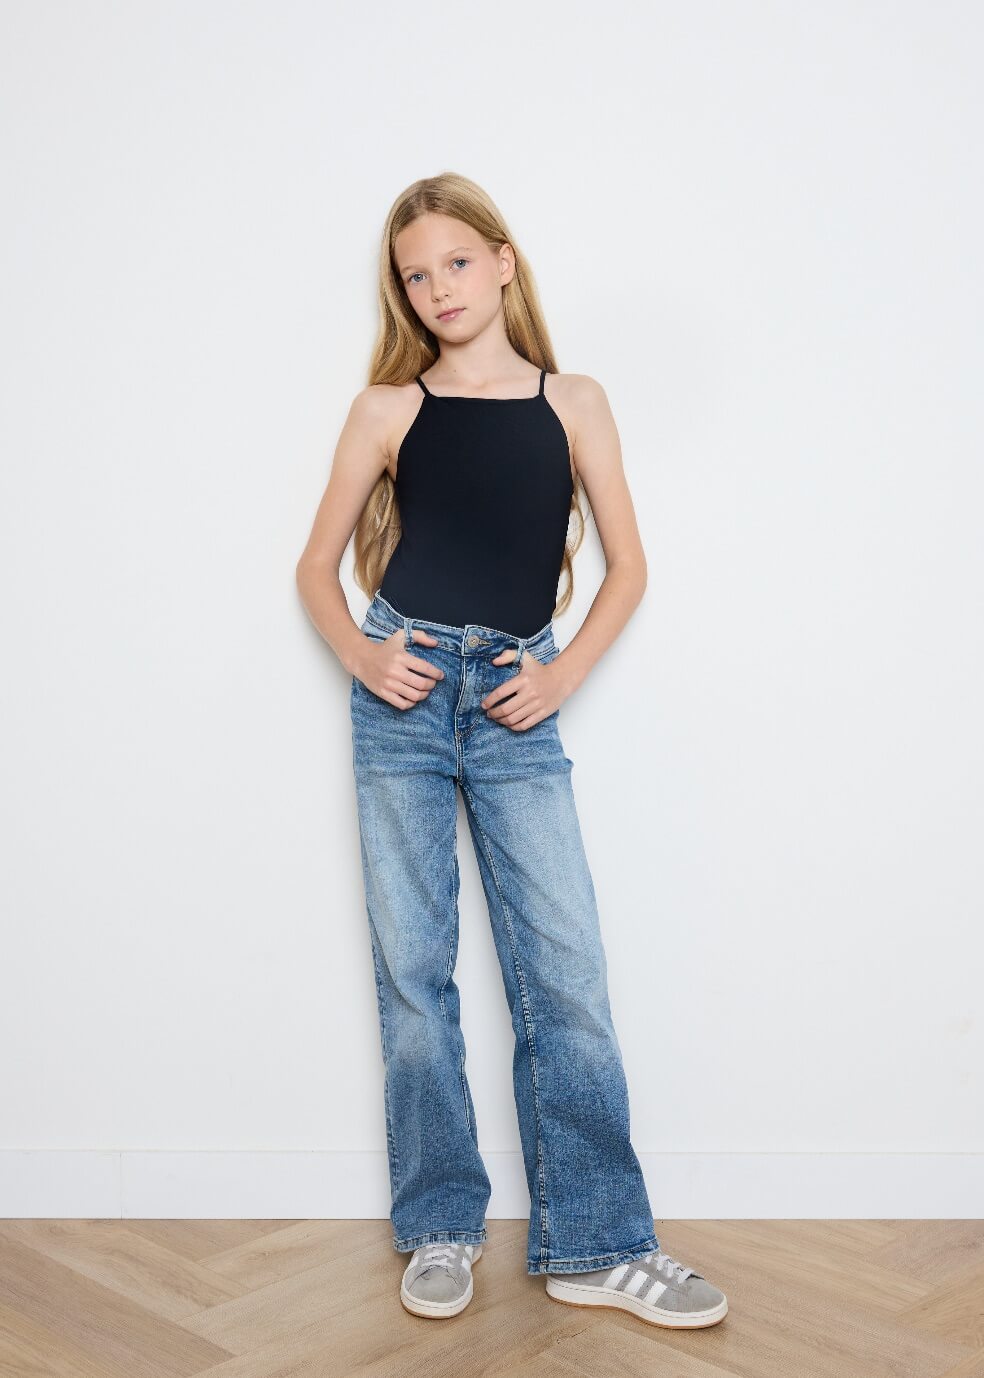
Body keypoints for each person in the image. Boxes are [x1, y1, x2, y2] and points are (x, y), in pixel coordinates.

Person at [295, 172, 728, 1330]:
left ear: (502, 261)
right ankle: (439, 1226)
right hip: (405, 693)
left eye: (454, 261)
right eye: (414, 275)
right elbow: (314, 568)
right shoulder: (386, 409)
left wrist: (561, 673)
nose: (437, 288)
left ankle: (596, 1243)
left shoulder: (574, 399)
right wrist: (362, 655)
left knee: (565, 971)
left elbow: (629, 566)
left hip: (513, 696)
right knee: (414, 972)